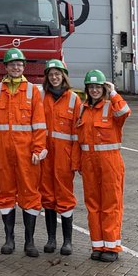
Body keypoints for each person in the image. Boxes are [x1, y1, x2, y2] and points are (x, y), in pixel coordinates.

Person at [0, 48, 48, 256]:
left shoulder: (32, 91)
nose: (16, 67)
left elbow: (39, 124)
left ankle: (29, 242)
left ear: (24, 67)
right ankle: (9, 239)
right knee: (5, 194)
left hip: (27, 153)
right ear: (5, 67)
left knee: (30, 193)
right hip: (4, 152)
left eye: (19, 64)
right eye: (12, 64)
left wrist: (38, 149)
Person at [79, 70, 131, 261]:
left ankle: (112, 247)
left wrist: (114, 92)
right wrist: (78, 164)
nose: (94, 90)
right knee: (93, 205)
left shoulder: (112, 108)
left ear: (103, 89)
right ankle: (98, 245)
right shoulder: (83, 109)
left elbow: (125, 112)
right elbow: (79, 140)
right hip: (89, 163)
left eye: (98, 87)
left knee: (111, 204)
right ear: (87, 89)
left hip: (110, 163)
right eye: (91, 87)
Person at [40, 58, 82, 256]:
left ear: (63, 76)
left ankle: (67, 241)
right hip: (46, 155)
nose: (54, 77)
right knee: (47, 196)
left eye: (57, 74)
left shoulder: (74, 99)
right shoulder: (42, 97)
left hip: (64, 157)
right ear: (47, 78)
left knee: (65, 197)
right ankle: (51, 239)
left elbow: (78, 134)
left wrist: (75, 160)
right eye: (51, 74)